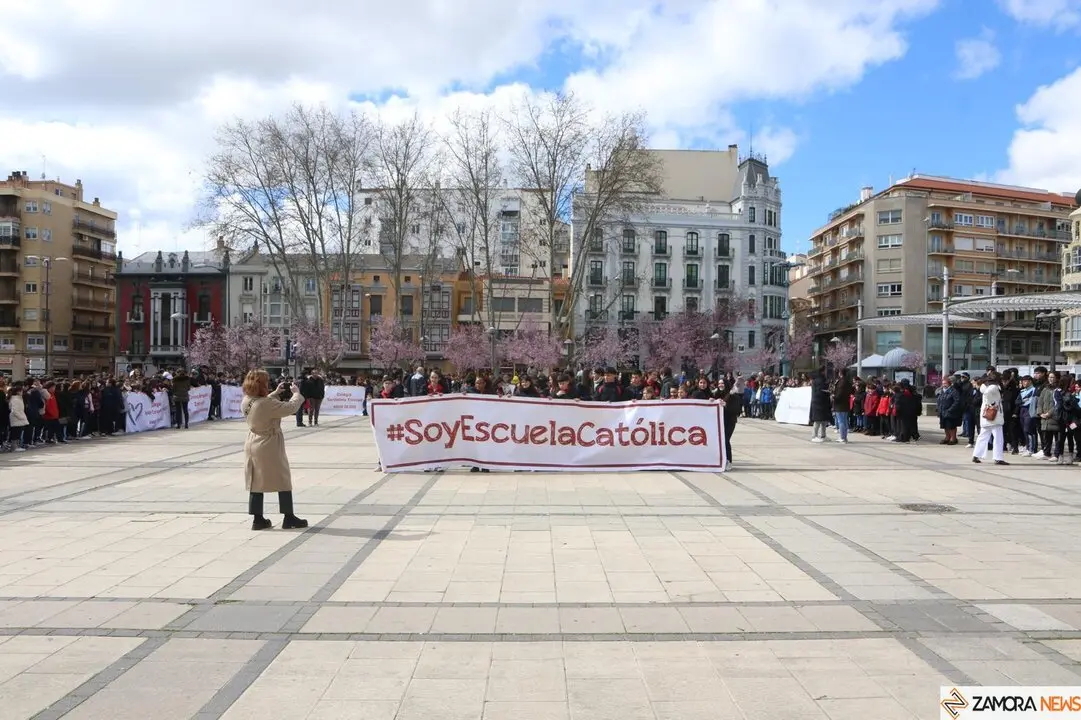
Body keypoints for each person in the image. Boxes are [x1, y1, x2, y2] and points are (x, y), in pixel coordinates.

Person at [241, 369, 308, 531]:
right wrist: (296, 394)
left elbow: (260, 404)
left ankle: (258, 519)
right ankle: (289, 517)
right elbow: (290, 408)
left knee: (255, 480)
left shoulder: (247, 399)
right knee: (282, 478)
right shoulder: (266, 404)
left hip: (253, 441)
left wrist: (275, 393)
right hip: (269, 442)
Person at [973, 370, 1008, 465]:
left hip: (985, 415)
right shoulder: (994, 386)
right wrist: (993, 404)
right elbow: (988, 394)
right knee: (998, 437)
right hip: (995, 415)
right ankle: (998, 457)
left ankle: (976, 455)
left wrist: (989, 404)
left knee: (983, 436)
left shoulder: (984, 385)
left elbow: (986, 393)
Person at [809, 368, 832, 442]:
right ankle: (814, 436)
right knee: (818, 421)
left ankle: (823, 435)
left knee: (822, 421)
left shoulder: (816, 380)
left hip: (818, 402)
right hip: (820, 402)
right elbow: (820, 391)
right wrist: (827, 392)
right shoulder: (820, 380)